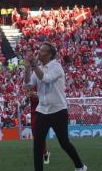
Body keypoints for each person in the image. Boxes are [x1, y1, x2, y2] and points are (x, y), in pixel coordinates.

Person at [24, 42, 87, 171]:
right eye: (39, 50)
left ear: (50, 54)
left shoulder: (57, 67)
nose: (39, 52)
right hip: (42, 110)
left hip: (58, 110)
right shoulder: (38, 68)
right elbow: (28, 85)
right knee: (38, 144)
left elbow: (46, 79)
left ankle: (80, 166)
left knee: (64, 143)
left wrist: (34, 65)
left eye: (42, 50)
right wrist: (27, 68)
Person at [27, 85, 50, 165]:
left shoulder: (44, 85)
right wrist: (28, 96)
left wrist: (37, 95)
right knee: (35, 135)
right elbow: (26, 102)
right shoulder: (31, 86)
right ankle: (45, 152)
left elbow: (47, 99)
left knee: (41, 135)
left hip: (42, 112)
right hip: (34, 114)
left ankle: (43, 153)